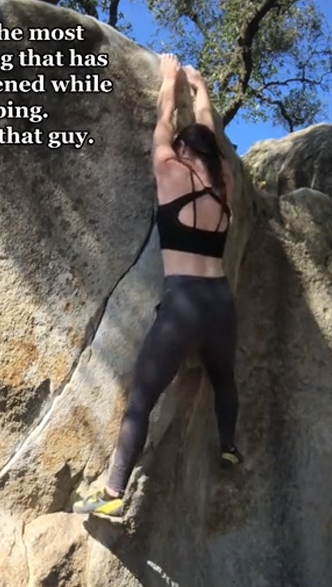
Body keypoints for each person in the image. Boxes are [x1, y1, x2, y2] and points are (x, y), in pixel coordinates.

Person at [77, 53, 241, 518]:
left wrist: (170, 81)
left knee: (142, 399)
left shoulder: (170, 170)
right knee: (224, 378)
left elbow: (164, 121)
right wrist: (202, 89)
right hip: (221, 303)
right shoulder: (224, 183)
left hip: (184, 304)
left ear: (184, 152)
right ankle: (228, 445)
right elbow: (212, 133)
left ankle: (112, 493)